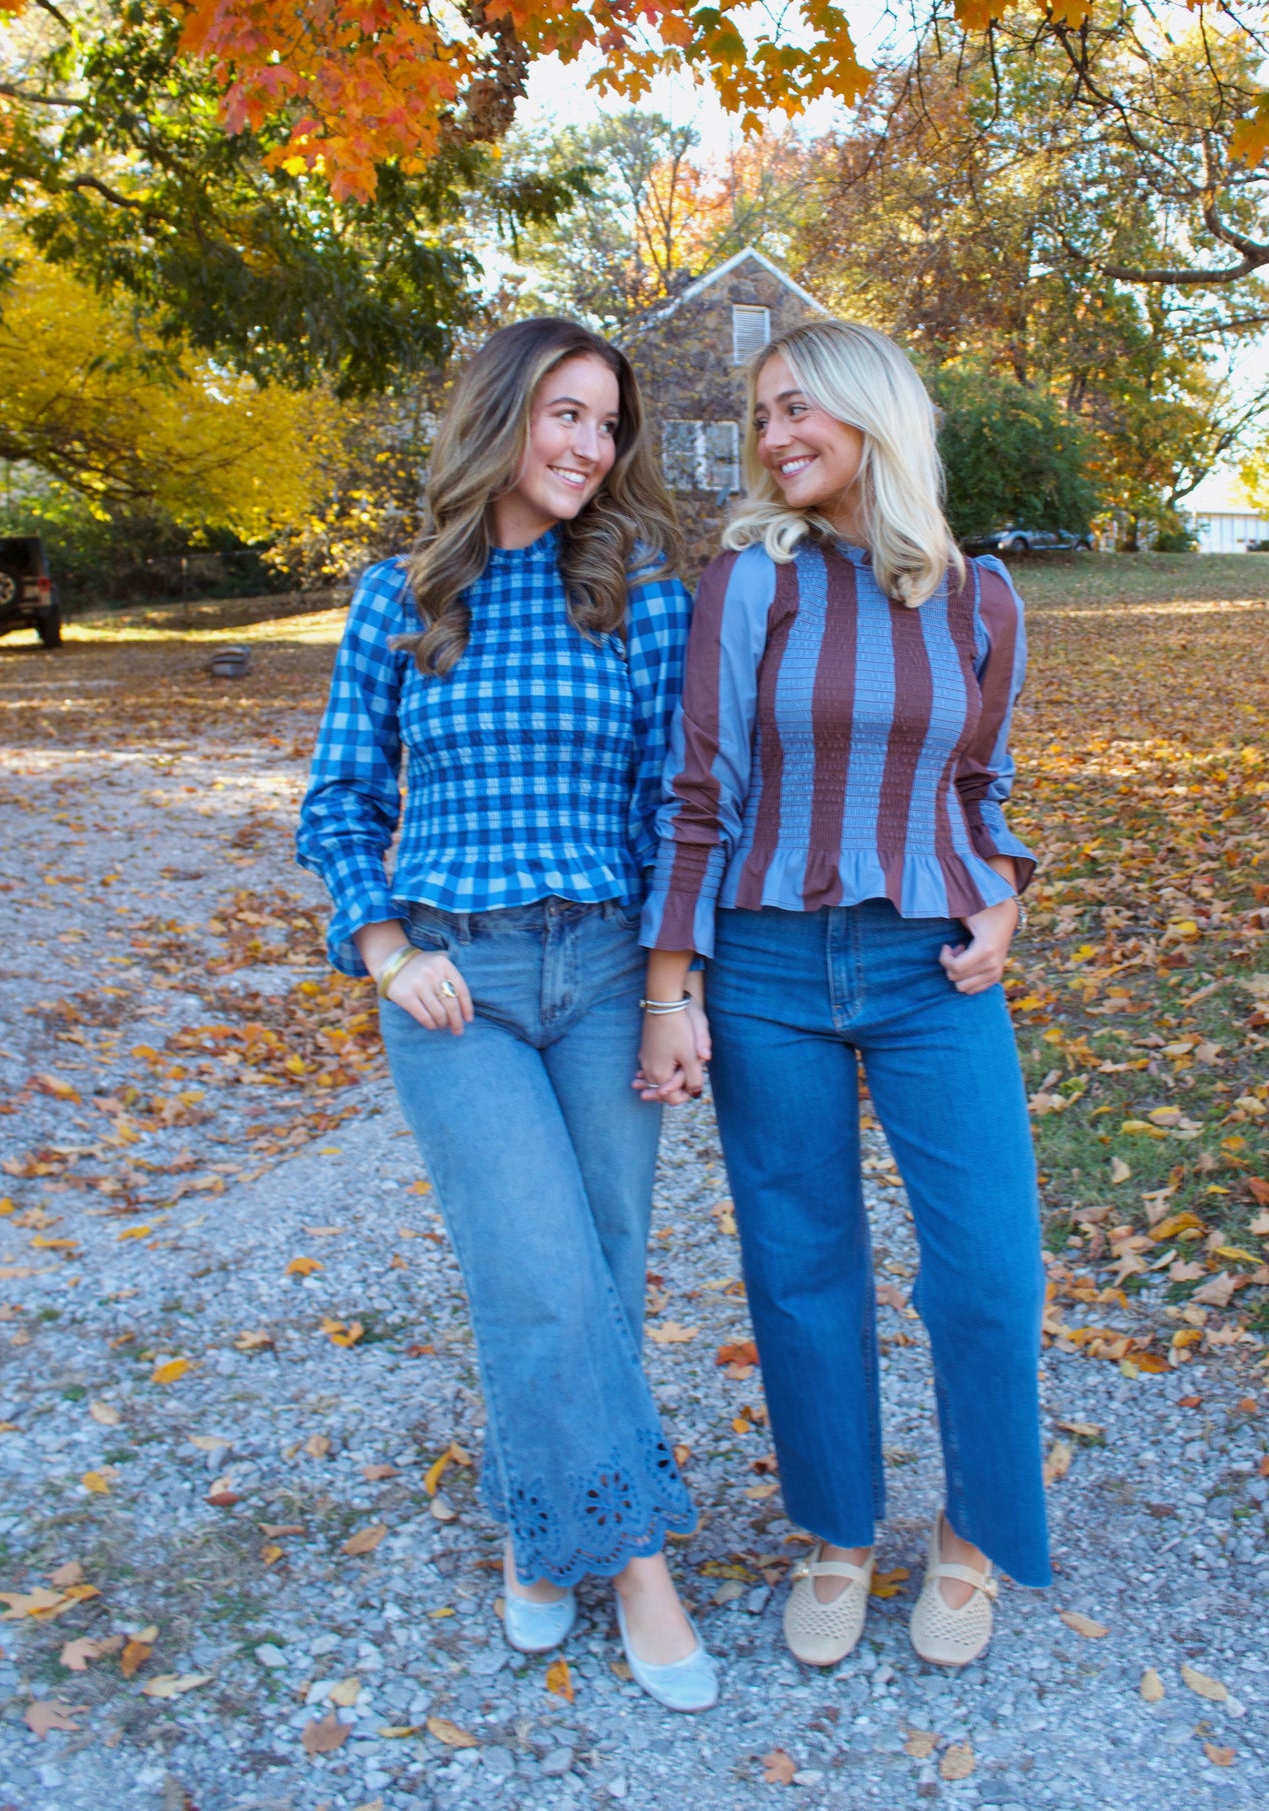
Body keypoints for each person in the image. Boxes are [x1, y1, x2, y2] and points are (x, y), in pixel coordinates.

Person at [298, 317, 718, 1712]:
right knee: (536, 1266)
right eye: (566, 416)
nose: (590, 449)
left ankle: (542, 1529)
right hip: (455, 986)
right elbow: (339, 800)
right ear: (500, 415)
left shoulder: (638, 590)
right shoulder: (398, 597)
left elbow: (676, 807)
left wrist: (671, 992)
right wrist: (383, 948)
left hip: (602, 970)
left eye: (608, 426)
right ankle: (638, 1557)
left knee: (595, 1264)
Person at [637, 318, 1050, 1670]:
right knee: (801, 1264)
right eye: (761, 415)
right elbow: (701, 787)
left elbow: (979, 790)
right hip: (764, 969)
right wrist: (672, 979)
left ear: (875, 415)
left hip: (931, 968)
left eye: (797, 408)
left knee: (987, 1266)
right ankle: (833, 1530)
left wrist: (1005, 890)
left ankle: (974, 1535)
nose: (773, 437)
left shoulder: (980, 596)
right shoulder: (753, 580)